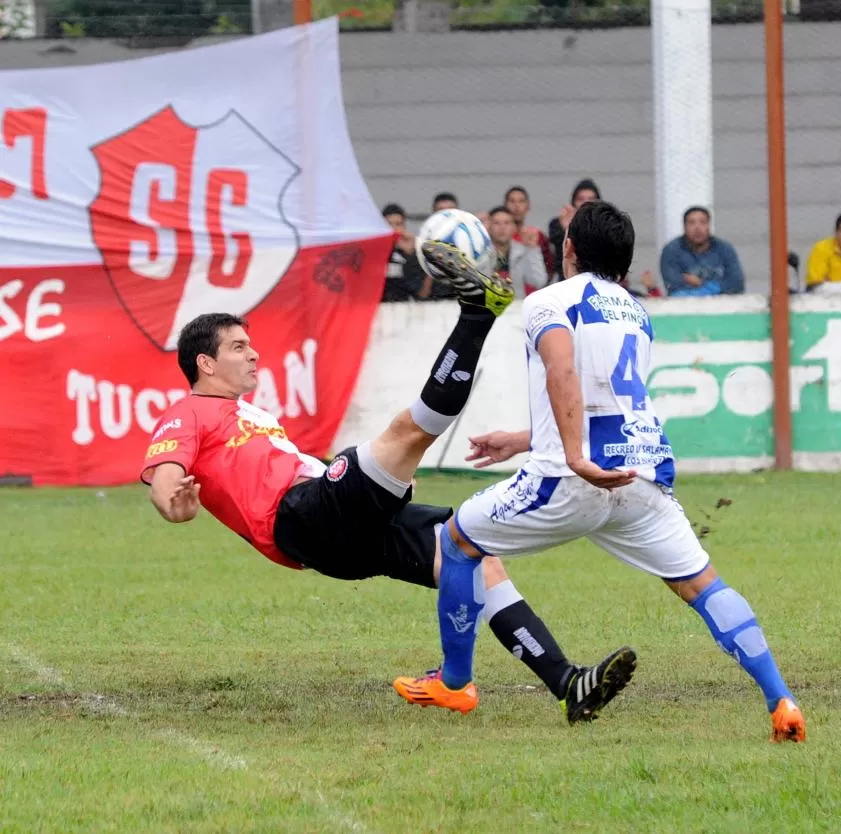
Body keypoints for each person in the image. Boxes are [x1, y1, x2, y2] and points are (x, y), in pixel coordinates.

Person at [141, 241, 635, 723]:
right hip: (300, 519)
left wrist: (382, 488)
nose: (253, 354)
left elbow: (297, 468)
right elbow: (165, 478)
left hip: (334, 535)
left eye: (249, 344)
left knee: (472, 554)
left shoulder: (249, 414)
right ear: (205, 363)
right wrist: (173, 504)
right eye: (238, 346)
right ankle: (478, 313)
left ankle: (564, 683)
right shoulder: (190, 411)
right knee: (408, 433)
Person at [394, 201, 805, 743]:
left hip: (573, 478)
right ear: (626, 263)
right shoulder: (636, 312)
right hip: (640, 480)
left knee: (457, 541)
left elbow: (562, 369)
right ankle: (782, 701)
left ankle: (455, 682)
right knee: (702, 585)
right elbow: (603, 400)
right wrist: (523, 439)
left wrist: (570, 457)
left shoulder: (548, 301)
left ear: (568, 250)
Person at [659, 206, 745, 296]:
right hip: (685, 306)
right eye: (692, 223)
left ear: (709, 226)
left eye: (703, 222)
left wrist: (702, 284)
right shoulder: (672, 251)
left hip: (723, 306)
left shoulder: (725, 249)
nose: (697, 228)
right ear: (684, 227)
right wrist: (716, 289)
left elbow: (737, 284)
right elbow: (675, 289)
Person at [487, 206, 549, 298]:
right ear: (489, 227)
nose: (502, 227)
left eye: (507, 223)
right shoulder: (482, 252)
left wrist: (533, 249)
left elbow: (539, 282)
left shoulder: (523, 251)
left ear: (514, 228)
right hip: (487, 308)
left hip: (516, 308)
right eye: (497, 223)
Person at [548, 178, 600, 280]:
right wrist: (566, 230)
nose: (586, 204)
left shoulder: (607, 226)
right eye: (581, 199)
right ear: (573, 202)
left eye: (591, 199)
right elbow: (559, 261)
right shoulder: (557, 224)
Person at [504, 185, 555, 284]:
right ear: (505, 205)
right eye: (512, 201)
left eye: (521, 201)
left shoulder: (537, 236)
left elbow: (549, 269)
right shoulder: (499, 238)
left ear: (528, 206)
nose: (516, 206)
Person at [381, 203, 429, 302]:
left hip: (405, 309)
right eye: (388, 224)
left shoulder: (412, 252)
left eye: (398, 224)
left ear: (404, 227)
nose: (393, 229)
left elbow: (422, 293)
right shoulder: (373, 253)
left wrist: (413, 254)